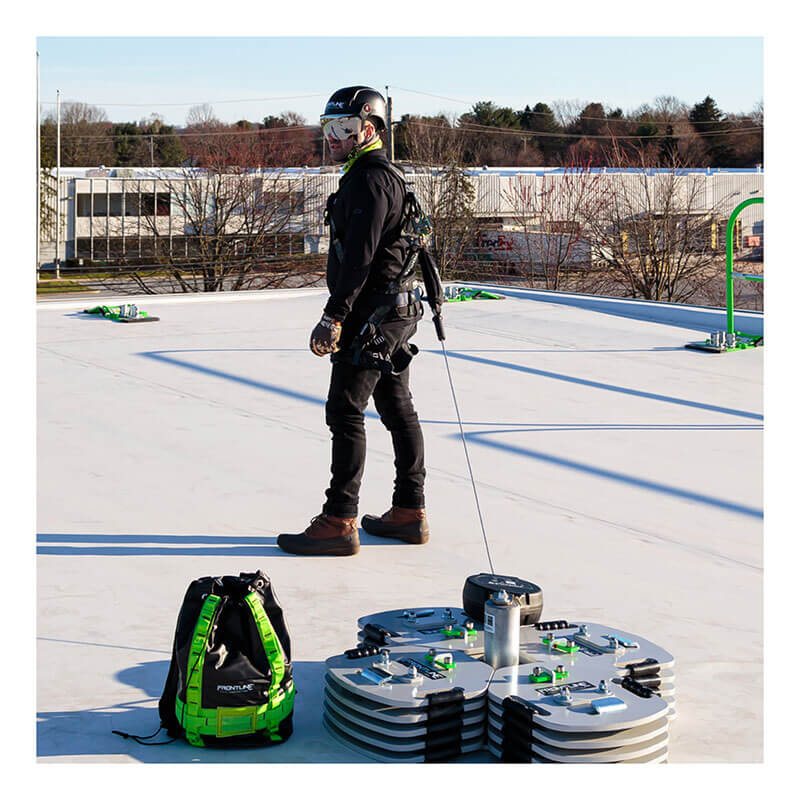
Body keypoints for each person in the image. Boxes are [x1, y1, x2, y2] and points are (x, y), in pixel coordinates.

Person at [277, 86, 429, 557]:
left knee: (345, 410)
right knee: (396, 407)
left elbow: (360, 259)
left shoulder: (368, 180)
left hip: (373, 314)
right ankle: (409, 512)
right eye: (328, 128)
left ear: (370, 129)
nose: (333, 138)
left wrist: (333, 316)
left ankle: (340, 520)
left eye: (343, 129)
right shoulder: (383, 177)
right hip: (395, 311)